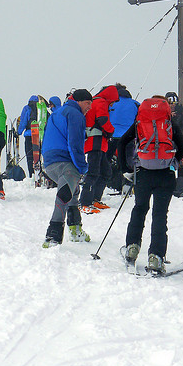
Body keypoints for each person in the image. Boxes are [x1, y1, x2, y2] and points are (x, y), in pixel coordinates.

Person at [117, 95, 183, 272]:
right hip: (166, 175)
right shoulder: (169, 124)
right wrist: (174, 161)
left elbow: (122, 143)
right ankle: (156, 256)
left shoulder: (141, 122)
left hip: (143, 173)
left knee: (139, 209)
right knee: (159, 215)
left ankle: (132, 247)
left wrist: (125, 167)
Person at [42, 88, 94, 247]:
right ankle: (53, 235)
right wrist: (82, 167)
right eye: (87, 103)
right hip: (64, 160)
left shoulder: (57, 112)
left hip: (49, 162)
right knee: (65, 194)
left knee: (73, 190)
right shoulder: (75, 114)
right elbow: (75, 144)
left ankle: (75, 228)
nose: (89, 107)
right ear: (78, 101)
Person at [79, 85, 119, 213]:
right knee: (94, 172)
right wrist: (111, 131)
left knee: (105, 171)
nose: (112, 105)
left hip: (97, 143)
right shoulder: (101, 102)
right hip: (95, 143)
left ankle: (94, 199)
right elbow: (102, 119)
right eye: (113, 101)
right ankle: (85, 202)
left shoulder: (95, 101)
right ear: (110, 97)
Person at [106, 84, 139, 192]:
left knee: (106, 160)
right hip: (128, 137)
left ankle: (102, 185)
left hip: (111, 135)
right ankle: (127, 187)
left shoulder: (111, 103)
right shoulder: (134, 103)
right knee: (127, 161)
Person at [17, 95, 47, 178]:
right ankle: (40, 174)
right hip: (39, 135)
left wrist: (19, 132)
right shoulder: (42, 109)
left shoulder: (27, 108)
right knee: (38, 155)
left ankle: (31, 175)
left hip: (29, 135)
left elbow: (23, 122)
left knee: (29, 156)